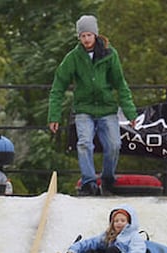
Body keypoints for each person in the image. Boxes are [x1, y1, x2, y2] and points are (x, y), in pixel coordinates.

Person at [47, 15, 138, 196]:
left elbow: (120, 84)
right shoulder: (73, 58)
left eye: (89, 35)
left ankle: (107, 179)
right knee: (84, 143)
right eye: (82, 36)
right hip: (84, 109)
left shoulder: (110, 54)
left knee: (114, 145)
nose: (86, 39)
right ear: (79, 38)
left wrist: (130, 113)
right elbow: (58, 86)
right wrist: (54, 116)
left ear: (95, 35)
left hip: (106, 108)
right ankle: (88, 182)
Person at [66, 205, 146, 253]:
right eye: (116, 221)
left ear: (129, 222)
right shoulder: (109, 234)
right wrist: (75, 248)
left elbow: (136, 252)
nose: (119, 223)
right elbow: (93, 242)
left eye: (123, 221)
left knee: (112, 250)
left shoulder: (134, 236)